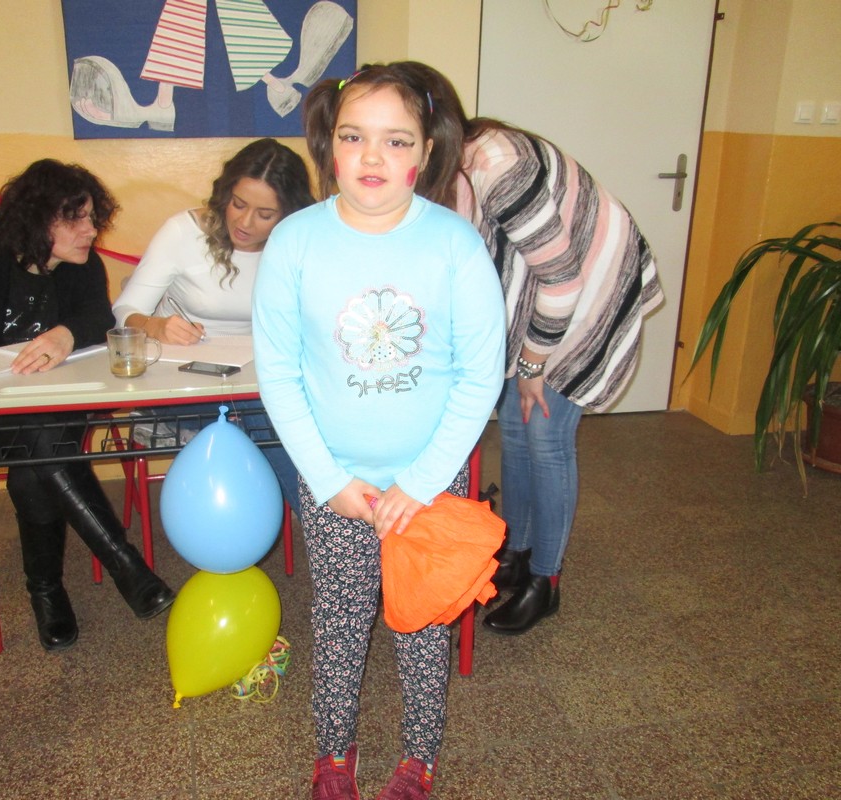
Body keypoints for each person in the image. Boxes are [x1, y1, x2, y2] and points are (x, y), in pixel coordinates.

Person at [252, 64, 506, 800]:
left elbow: (478, 376)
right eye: (353, 137)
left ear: (425, 151)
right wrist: (329, 480)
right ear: (328, 145)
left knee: (421, 626)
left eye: (396, 141)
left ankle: (418, 758)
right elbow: (279, 374)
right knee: (338, 622)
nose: (372, 156)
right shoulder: (295, 242)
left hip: (428, 482)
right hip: (335, 479)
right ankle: (334, 752)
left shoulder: (454, 244)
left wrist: (419, 484)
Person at [403, 61, 664, 635]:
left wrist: (531, 364)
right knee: (516, 432)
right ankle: (517, 556)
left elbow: (564, 277)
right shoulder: (438, 165)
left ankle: (546, 581)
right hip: (537, 293)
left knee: (545, 436)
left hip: (589, 290)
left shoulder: (497, 164)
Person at [0, 159, 175, 652]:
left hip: (57, 415)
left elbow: (97, 317)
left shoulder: (83, 267)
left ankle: (47, 590)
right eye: (76, 219)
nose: (91, 231)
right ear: (37, 219)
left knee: (38, 454)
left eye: (92, 218)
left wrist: (66, 334)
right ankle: (120, 565)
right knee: (40, 454)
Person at [111, 137, 315, 516]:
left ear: (288, 214)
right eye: (238, 204)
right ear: (225, 193)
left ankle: (331, 523)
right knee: (269, 416)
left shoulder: (298, 243)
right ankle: (323, 525)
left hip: (262, 381)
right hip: (186, 385)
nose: (244, 222)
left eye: (265, 214)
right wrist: (156, 326)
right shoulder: (183, 232)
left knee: (284, 408)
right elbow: (126, 309)